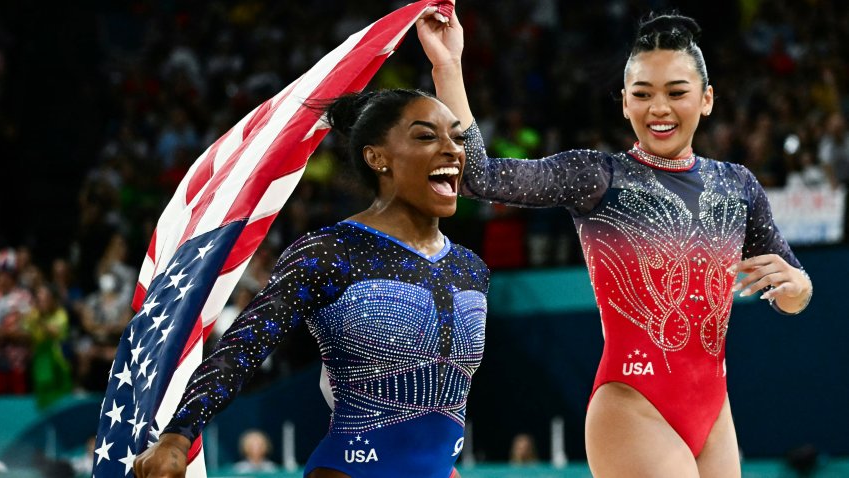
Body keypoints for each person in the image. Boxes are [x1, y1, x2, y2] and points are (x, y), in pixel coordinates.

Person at [417, 7, 813, 478]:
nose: (659, 108)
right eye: (643, 94)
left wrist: (797, 286)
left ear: (706, 99)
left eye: (676, 92)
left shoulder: (739, 185)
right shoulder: (598, 178)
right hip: (632, 405)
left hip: (713, 412)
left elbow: (792, 291)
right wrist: (448, 67)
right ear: (625, 102)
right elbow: (480, 176)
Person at [134, 88, 489, 478]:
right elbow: (243, 346)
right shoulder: (332, 251)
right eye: (426, 136)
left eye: (457, 137)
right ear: (377, 157)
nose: (453, 149)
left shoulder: (470, 268)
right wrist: (178, 436)